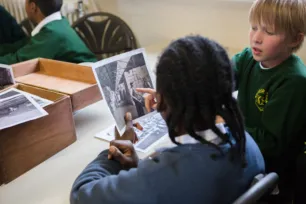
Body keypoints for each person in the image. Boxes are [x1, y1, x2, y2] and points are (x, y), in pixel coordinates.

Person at [70, 36, 265, 204]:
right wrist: (140, 168)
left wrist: (112, 154)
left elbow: (81, 194)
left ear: (163, 103)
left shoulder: (163, 176)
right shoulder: (246, 143)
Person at [232, 0, 306, 202]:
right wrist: (173, 94)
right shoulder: (249, 58)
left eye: (269, 32)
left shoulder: (294, 81)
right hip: (244, 147)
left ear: (294, 39)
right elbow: (216, 79)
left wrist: (227, 122)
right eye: (253, 27)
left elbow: (272, 144)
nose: (256, 38)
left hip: (270, 173)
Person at [0, 0, 97, 65]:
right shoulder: (59, 23)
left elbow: (18, 60)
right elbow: (25, 45)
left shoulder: (52, 34)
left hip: (86, 82)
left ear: (33, 7)